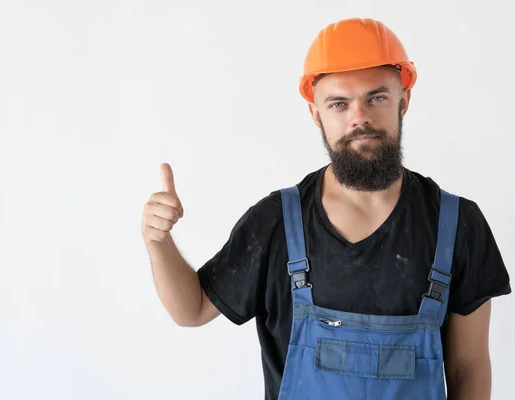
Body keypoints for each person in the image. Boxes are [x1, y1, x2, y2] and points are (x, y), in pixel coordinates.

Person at [141, 17, 511, 400]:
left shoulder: (457, 225)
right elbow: (192, 310)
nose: (359, 116)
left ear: (404, 100)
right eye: (339, 103)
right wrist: (158, 242)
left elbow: (469, 368)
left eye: (377, 97)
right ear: (316, 113)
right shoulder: (275, 224)